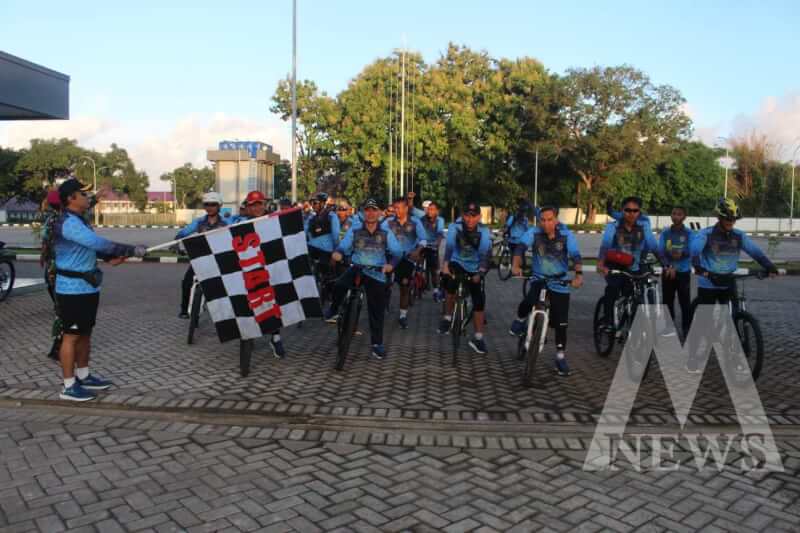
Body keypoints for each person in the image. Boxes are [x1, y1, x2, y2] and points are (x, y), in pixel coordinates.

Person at [53, 178, 147, 401]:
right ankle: (68, 386)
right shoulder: (69, 223)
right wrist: (131, 250)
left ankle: (84, 376)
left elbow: (90, 248)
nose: (88, 197)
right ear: (71, 198)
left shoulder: (79, 219)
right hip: (71, 290)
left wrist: (109, 258)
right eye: (83, 194)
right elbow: (97, 243)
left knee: (85, 333)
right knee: (71, 336)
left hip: (88, 287)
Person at [508, 206, 583, 376]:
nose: (546, 223)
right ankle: (520, 320)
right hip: (539, 278)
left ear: (556, 220)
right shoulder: (533, 233)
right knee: (529, 300)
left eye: (550, 220)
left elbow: (576, 256)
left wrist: (578, 275)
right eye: (542, 220)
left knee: (561, 323)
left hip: (560, 282)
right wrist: (515, 265)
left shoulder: (566, 235)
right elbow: (520, 248)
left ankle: (560, 357)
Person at [328, 199, 403, 360]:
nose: (370, 213)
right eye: (367, 210)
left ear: (379, 213)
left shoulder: (386, 232)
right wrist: (338, 252)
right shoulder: (355, 229)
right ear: (363, 213)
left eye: (374, 210)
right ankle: (333, 310)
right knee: (339, 285)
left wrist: (390, 265)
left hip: (376, 272)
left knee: (376, 310)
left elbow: (398, 252)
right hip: (357, 267)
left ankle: (377, 344)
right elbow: (343, 246)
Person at [230, 190, 287, 358]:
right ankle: (248, 332)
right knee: (246, 300)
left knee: (272, 301)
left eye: (259, 204)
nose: (256, 208)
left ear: (264, 205)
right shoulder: (239, 222)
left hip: (268, 268)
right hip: (247, 267)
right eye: (252, 205)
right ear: (247, 207)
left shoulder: (274, 220)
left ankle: (275, 337)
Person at [691, 198, 777, 306]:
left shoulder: (739, 235)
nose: (731, 222)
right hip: (708, 283)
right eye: (728, 218)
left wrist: (769, 266)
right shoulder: (705, 234)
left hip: (729, 282)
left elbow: (755, 252)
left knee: (734, 314)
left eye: (734, 219)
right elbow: (694, 251)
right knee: (706, 315)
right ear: (719, 217)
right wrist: (698, 267)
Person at [597, 196, 666, 330]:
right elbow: (605, 245)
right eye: (628, 210)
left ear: (639, 212)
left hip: (635, 264)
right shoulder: (613, 226)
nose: (631, 213)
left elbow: (653, 244)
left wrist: (665, 263)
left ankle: (633, 323)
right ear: (622, 211)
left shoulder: (644, 225)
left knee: (636, 293)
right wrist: (600, 263)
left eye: (635, 211)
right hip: (615, 265)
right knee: (613, 289)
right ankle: (608, 320)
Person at [438, 201, 492, 354]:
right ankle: (447, 318)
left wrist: (480, 273)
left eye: (473, 216)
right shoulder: (455, 227)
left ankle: (478, 338)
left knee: (479, 300)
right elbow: (449, 248)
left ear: (479, 217)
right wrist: (445, 266)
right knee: (450, 282)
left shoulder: (484, 231)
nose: (470, 219)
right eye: (467, 216)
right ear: (463, 216)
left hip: (475, 267)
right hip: (457, 262)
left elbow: (484, 255)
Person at [175, 192, 228, 318]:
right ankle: (184, 309)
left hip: (219, 259)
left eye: (213, 204)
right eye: (207, 204)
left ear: (219, 206)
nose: (210, 207)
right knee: (187, 282)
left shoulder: (227, 223)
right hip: (200, 258)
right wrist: (176, 242)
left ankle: (226, 313)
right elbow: (183, 233)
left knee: (226, 285)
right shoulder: (198, 222)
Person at [381, 196, 427, 329]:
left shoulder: (415, 222)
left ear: (406, 208)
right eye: (395, 208)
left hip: (406, 258)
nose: (396, 211)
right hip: (390, 257)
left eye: (399, 208)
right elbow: (379, 233)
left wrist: (417, 251)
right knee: (384, 284)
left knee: (404, 287)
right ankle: (383, 306)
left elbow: (423, 239)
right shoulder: (388, 222)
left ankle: (402, 315)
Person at [658, 206, 694, 336]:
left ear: (684, 217)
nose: (676, 216)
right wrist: (667, 266)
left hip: (683, 272)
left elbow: (691, 250)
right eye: (673, 213)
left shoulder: (689, 233)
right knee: (667, 301)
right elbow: (661, 252)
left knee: (685, 302)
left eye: (679, 214)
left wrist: (682, 254)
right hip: (668, 271)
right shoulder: (665, 233)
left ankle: (686, 328)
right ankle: (668, 328)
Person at [40, 190, 62, 361]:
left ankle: (58, 345)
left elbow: (45, 242)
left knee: (59, 307)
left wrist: (43, 257)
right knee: (62, 309)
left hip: (50, 270)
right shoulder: (62, 220)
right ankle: (57, 347)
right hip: (59, 269)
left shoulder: (50, 219)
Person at [419, 200, 446, 302]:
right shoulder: (422, 219)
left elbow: (439, 233)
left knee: (434, 269)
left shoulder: (440, 220)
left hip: (433, 245)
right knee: (417, 263)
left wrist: (437, 244)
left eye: (432, 209)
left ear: (437, 211)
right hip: (422, 244)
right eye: (428, 209)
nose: (429, 211)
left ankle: (436, 290)